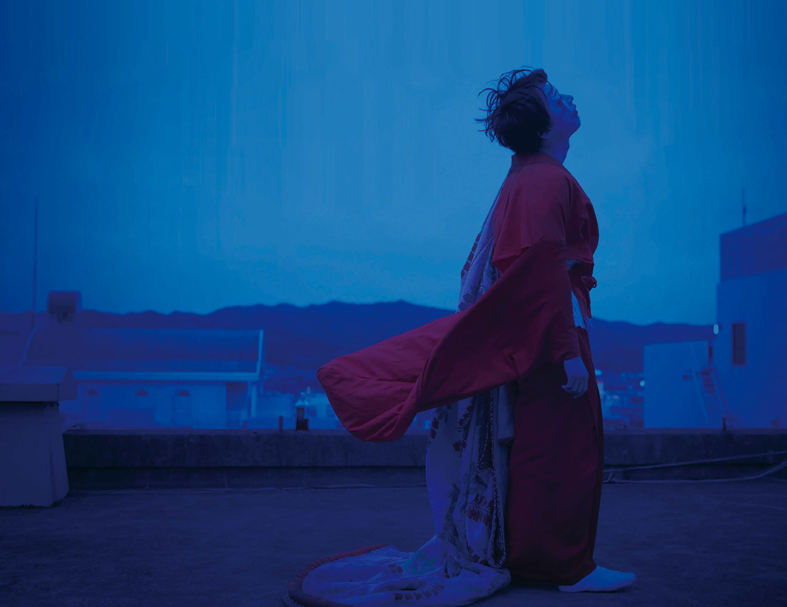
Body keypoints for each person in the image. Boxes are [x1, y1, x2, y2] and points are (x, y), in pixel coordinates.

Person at [286, 67, 635, 607]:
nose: (568, 97)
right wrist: (567, 352)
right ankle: (566, 567)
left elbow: (532, 268)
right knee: (565, 451)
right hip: (551, 331)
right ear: (544, 125)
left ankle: (546, 560)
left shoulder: (528, 176)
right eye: (554, 96)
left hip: (543, 327)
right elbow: (541, 268)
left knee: (542, 449)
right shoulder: (543, 179)